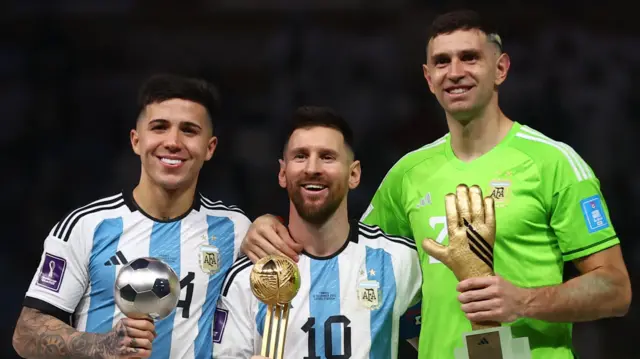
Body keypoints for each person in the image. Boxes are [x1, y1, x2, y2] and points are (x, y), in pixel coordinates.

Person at [240, 10, 632, 359]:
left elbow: (615, 289)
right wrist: (265, 228)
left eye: (470, 58)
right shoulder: (409, 173)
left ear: (501, 68)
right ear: (428, 78)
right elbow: (348, 254)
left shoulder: (553, 162)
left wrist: (525, 302)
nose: (455, 72)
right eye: (442, 62)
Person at [12, 74, 252, 359]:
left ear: (210, 147)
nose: (173, 142)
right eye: (159, 127)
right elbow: (25, 333)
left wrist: (266, 223)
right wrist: (101, 345)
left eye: (189, 130)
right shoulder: (87, 226)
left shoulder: (235, 229)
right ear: (136, 141)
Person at [212, 106, 422, 359]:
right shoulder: (248, 275)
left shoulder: (400, 260)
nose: (312, 168)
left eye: (327, 157)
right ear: (282, 172)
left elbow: (442, 334)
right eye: (300, 156)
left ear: (353, 174)